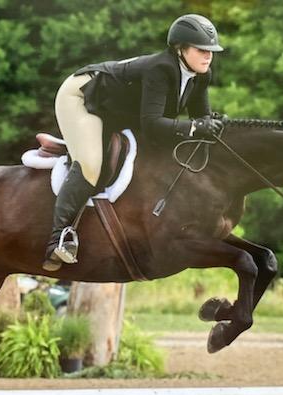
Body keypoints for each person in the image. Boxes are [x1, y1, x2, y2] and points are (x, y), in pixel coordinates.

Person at [43, 13, 226, 271]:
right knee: (92, 164)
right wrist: (196, 127)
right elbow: (153, 125)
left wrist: (214, 126)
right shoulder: (161, 69)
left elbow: (200, 119)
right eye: (201, 50)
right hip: (82, 97)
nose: (208, 56)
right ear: (180, 49)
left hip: (117, 111)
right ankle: (58, 239)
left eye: (211, 51)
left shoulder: (201, 75)